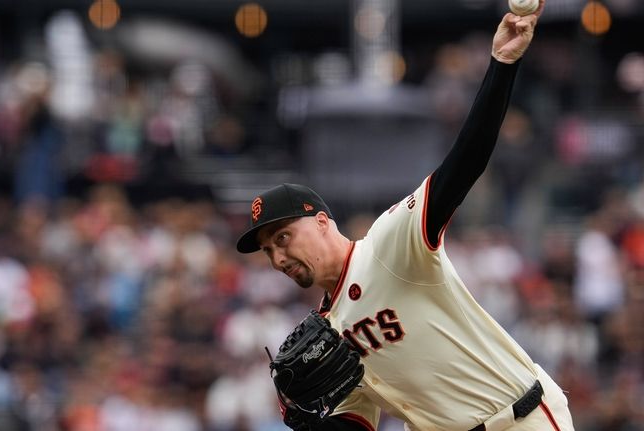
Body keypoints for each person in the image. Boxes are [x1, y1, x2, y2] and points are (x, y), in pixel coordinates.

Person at [236, 2, 576, 430]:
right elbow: (358, 423)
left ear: (322, 221)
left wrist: (501, 67)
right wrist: (308, 422)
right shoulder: (324, 340)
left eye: (283, 237)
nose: (277, 258)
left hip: (520, 420)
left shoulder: (388, 245)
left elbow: (462, 166)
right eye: (267, 251)